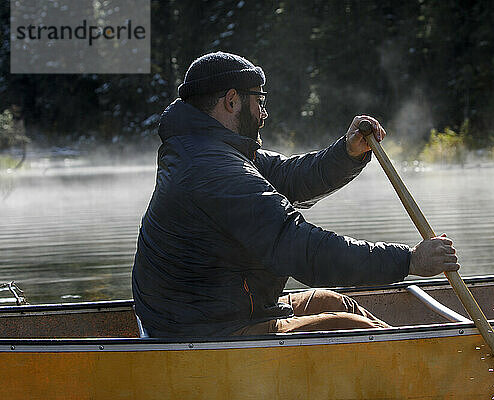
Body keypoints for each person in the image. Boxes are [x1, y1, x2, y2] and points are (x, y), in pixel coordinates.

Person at [132, 51, 459, 337]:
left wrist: (348, 153)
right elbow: (304, 249)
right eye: (259, 100)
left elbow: (290, 176)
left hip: (217, 314)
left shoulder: (207, 150)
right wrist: (409, 259)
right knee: (346, 327)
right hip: (206, 332)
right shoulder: (213, 170)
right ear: (232, 101)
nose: (263, 113)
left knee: (333, 303)